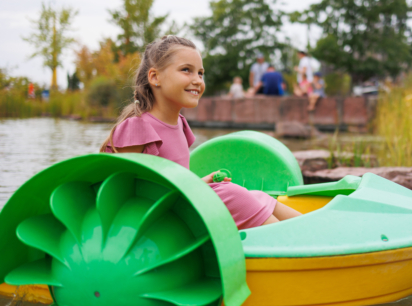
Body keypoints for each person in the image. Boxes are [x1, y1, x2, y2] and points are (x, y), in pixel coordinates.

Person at [99, 36, 301, 229]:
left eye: (200, 73)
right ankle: (288, 243)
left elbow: (175, 179)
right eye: (186, 70)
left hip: (178, 202)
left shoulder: (179, 123)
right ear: (155, 77)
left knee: (256, 195)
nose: (197, 80)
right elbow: (123, 193)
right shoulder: (137, 128)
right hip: (160, 218)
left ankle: (312, 227)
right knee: (231, 194)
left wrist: (201, 182)